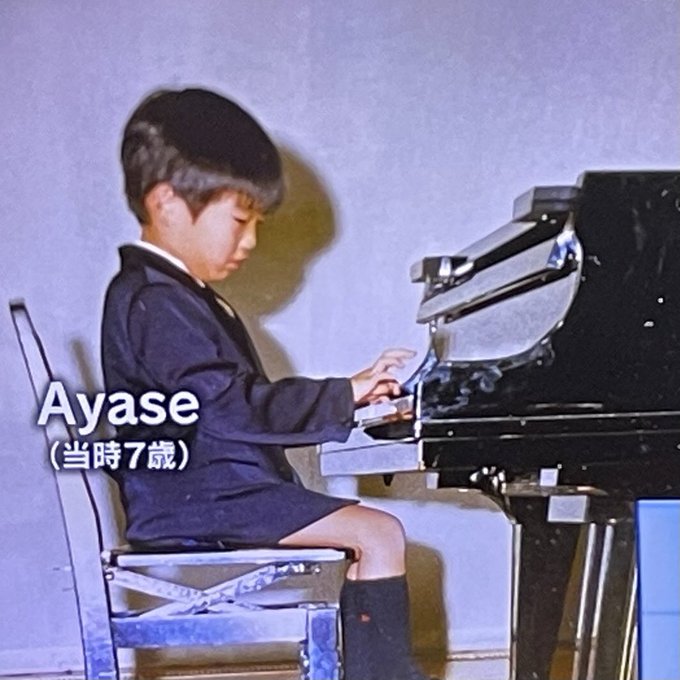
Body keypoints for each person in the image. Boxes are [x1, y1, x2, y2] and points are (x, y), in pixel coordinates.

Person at [101, 87, 435, 680]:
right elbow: (230, 407)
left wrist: (349, 397)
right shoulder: (157, 301)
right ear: (167, 203)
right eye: (240, 220)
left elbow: (228, 403)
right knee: (380, 533)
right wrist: (344, 393)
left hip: (205, 493)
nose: (251, 241)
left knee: (374, 533)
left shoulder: (164, 294)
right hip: (201, 500)